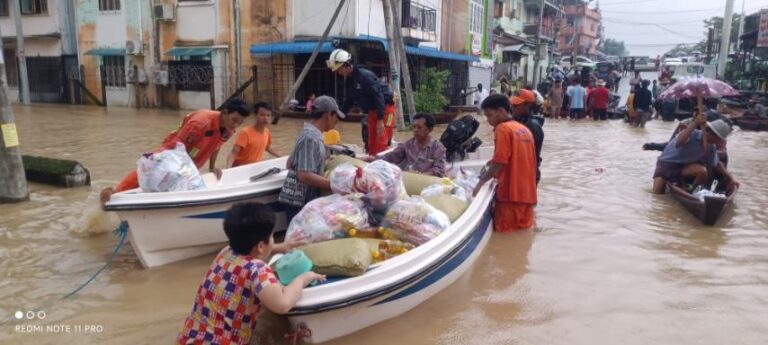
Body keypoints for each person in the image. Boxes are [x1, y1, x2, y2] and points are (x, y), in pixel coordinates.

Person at [177, 202, 324, 345]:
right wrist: (304, 278)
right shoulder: (257, 270)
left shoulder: (226, 252)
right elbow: (283, 304)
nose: (273, 241)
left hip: (190, 337)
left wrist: (282, 247)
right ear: (260, 246)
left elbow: (256, 252)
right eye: (272, 237)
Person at [99, 100, 251, 205]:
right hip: (171, 152)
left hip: (192, 161)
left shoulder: (228, 129)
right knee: (151, 170)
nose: (235, 125)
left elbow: (216, 146)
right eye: (234, 120)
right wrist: (184, 170)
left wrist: (212, 167)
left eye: (239, 123)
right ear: (224, 112)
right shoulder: (200, 123)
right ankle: (113, 191)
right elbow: (178, 147)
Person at [475, 94, 537, 232]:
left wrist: (481, 182)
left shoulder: (502, 129)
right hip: (528, 195)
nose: (488, 120)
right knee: (522, 238)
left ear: (501, 111)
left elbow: (499, 162)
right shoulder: (524, 129)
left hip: (510, 196)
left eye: (489, 115)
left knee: (505, 236)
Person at [278, 95, 344, 222]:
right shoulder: (311, 138)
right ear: (328, 115)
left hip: (297, 201)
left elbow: (289, 163)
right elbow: (304, 175)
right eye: (336, 117)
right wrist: (335, 185)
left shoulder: (307, 133)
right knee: (301, 240)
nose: (337, 121)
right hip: (300, 202)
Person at [652, 113, 738, 194]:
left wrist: (731, 178)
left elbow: (716, 165)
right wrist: (695, 122)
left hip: (684, 168)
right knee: (657, 194)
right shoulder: (692, 134)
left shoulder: (711, 147)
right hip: (666, 165)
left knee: (703, 171)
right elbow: (679, 143)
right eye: (718, 139)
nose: (718, 141)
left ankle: (690, 190)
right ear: (711, 134)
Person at [327, 49, 393, 155]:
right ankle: (371, 164)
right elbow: (348, 101)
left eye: (339, 69)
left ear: (346, 65)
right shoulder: (349, 81)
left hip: (386, 110)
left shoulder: (365, 76)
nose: (338, 72)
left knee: (381, 142)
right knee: (371, 142)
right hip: (372, 111)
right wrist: (337, 118)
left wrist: (380, 120)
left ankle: (382, 166)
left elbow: (378, 95)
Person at [366, 113, 446, 176]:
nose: (415, 130)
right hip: (409, 178)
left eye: (419, 127)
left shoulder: (438, 148)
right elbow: (390, 157)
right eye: (414, 127)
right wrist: (369, 159)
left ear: (430, 129)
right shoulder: (407, 145)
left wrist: (421, 175)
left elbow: (439, 170)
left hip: (426, 182)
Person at [227, 102, 281, 168]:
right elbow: (233, 153)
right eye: (262, 115)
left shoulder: (266, 131)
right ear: (255, 115)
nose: (266, 118)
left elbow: (267, 147)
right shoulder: (245, 132)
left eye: (268, 115)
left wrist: (282, 157)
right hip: (240, 168)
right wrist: (228, 169)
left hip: (255, 167)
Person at [510, 89, 544, 184]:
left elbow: (524, 154)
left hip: (527, 173)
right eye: (512, 104)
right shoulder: (517, 120)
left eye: (516, 105)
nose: (512, 107)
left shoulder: (532, 127)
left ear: (528, 105)